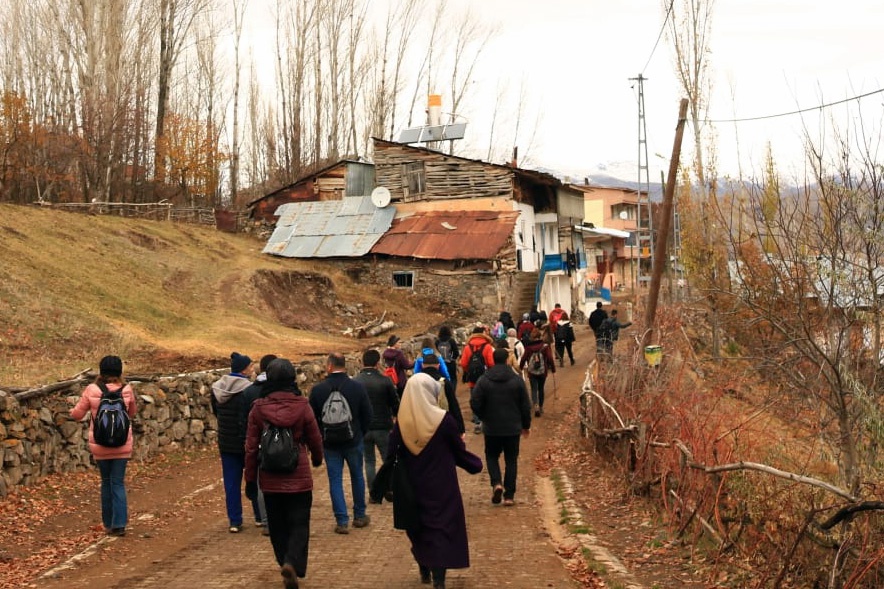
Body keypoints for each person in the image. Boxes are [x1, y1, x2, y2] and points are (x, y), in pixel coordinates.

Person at [388, 373, 483, 589]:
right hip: (442, 485)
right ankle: (438, 578)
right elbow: (458, 451)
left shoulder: (401, 424)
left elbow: (391, 452)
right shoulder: (444, 421)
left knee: (418, 526)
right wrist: (474, 464)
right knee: (441, 528)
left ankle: (424, 563)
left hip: (412, 485)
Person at [245, 359, 323, 589]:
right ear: (292, 379)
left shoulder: (258, 408)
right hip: (298, 473)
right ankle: (292, 561)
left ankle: (284, 562)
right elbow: (315, 437)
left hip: (270, 477)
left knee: (278, 527)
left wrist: (250, 479)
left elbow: (250, 447)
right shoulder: (302, 405)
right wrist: (317, 458)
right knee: (300, 523)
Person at [70, 355, 138, 537]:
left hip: (99, 444)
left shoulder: (92, 389)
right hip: (122, 444)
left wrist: (69, 411)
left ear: (101, 371)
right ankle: (120, 524)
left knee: (106, 482)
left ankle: (108, 523)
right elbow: (132, 413)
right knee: (118, 482)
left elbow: (77, 414)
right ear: (119, 371)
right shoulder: (127, 389)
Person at [308, 352, 373, 534]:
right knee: (357, 476)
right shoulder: (357, 387)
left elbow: (312, 418)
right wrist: (359, 433)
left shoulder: (318, 390)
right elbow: (368, 415)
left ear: (329, 366)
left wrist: (321, 436)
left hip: (330, 443)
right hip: (353, 440)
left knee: (335, 480)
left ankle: (342, 520)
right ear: (344, 365)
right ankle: (360, 515)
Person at [470, 348, 532, 507]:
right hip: (512, 427)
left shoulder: (484, 380)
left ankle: (496, 483)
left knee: (491, 456)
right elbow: (525, 405)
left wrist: (483, 415)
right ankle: (509, 495)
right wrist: (526, 425)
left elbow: (474, 401)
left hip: (492, 427)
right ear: (507, 360)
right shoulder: (517, 380)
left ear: (493, 359)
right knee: (511, 460)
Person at [210, 352, 254, 533]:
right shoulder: (249, 389)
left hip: (226, 442)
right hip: (246, 441)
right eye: (250, 366)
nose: (252, 369)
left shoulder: (217, 389)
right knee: (253, 478)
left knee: (231, 483)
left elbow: (216, 413)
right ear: (244, 369)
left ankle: (234, 520)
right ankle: (260, 516)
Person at [240, 353, 278, 533]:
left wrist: (248, 443)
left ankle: (266, 521)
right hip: (282, 442)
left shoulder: (249, 392)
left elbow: (244, 421)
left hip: (260, 443)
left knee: (262, 483)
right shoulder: (285, 391)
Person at [353, 349, 399, 498]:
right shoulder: (385, 380)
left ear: (362, 362)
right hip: (383, 426)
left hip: (363, 427)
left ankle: (373, 492)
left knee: (369, 461)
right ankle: (390, 488)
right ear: (378, 363)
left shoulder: (355, 382)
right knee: (388, 458)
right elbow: (395, 404)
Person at [459, 326, 495, 434]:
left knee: (475, 399)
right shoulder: (488, 346)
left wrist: (469, 371)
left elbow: (463, 363)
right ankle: (486, 422)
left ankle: (477, 422)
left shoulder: (467, 347)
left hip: (473, 380)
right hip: (486, 378)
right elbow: (491, 363)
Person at [419, 352, 465, 435]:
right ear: (438, 365)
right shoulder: (444, 382)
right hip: (441, 420)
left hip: (421, 422)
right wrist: (460, 428)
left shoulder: (416, 381)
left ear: (422, 365)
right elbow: (453, 404)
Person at [519, 328, 556, 417]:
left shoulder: (528, 347)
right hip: (542, 371)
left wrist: (520, 367)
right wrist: (553, 368)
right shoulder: (545, 346)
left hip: (532, 372)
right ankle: (541, 406)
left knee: (534, 389)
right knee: (541, 389)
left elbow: (523, 358)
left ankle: (535, 404)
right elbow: (550, 358)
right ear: (540, 336)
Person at [435, 325, 460, 390]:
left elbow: (435, 353)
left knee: (442, 379)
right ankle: (452, 393)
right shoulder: (451, 340)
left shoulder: (437, 342)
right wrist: (453, 359)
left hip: (441, 364)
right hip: (451, 363)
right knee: (453, 379)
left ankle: (445, 393)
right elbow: (456, 353)